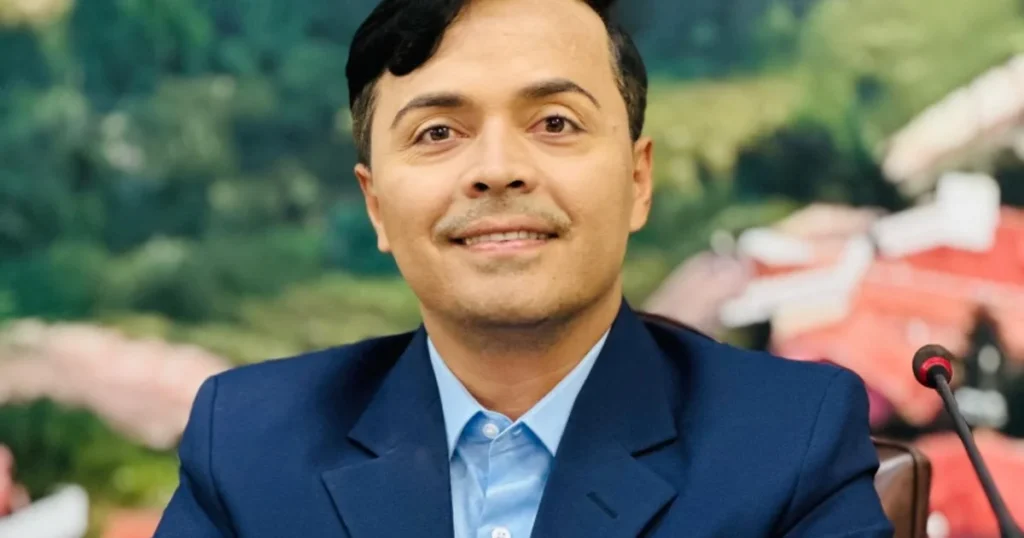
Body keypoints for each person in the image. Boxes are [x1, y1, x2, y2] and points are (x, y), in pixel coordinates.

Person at [154, 0, 894, 536]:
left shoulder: (789, 440)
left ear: (639, 181)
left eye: (555, 123)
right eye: (438, 132)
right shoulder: (249, 443)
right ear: (376, 206)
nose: (498, 169)